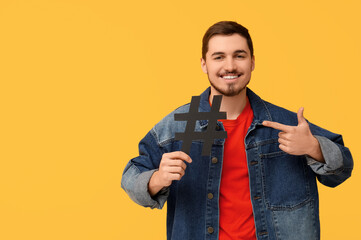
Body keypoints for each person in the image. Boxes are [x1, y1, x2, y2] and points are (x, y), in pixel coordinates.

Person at [121, 21, 353, 240]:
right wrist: (158, 179)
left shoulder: (285, 124)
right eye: (219, 57)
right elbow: (131, 177)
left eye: (239, 56)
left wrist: (314, 148)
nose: (230, 66)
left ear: (252, 61)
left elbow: (343, 168)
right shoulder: (178, 126)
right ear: (204, 64)